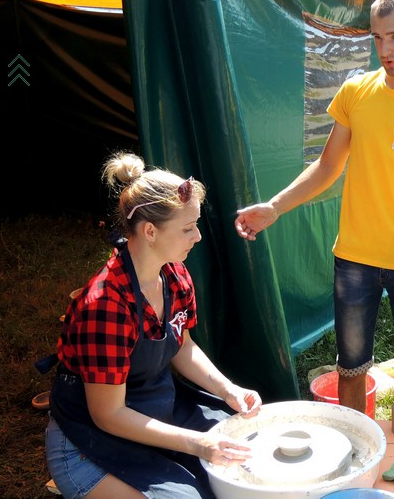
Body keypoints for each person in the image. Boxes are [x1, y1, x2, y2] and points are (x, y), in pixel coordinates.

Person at [234, 0, 394, 420]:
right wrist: (275, 206)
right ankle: (354, 447)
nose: (386, 49)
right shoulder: (355, 92)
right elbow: (327, 167)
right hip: (354, 258)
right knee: (350, 365)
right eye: (378, 38)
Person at [44, 152, 262, 499]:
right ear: (149, 231)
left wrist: (227, 389)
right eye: (188, 228)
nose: (199, 237)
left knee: (245, 453)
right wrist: (197, 443)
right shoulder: (106, 306)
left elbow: (183, 345)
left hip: (153, 409)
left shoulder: (174, 274)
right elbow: (109, 415)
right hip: (89, 443)